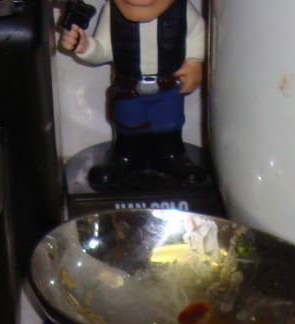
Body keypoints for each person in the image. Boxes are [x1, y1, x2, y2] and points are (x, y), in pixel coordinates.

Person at [59, 0, 208, 190]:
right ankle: (124, 157)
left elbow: (197, 33)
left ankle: (173, 155)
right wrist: (85, 46)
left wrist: (195, 61)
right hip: (129, 89)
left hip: (168, 87)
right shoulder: (112, 11)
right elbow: (104, 50)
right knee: (128, 123)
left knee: (169, 122)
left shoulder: (182, 9)